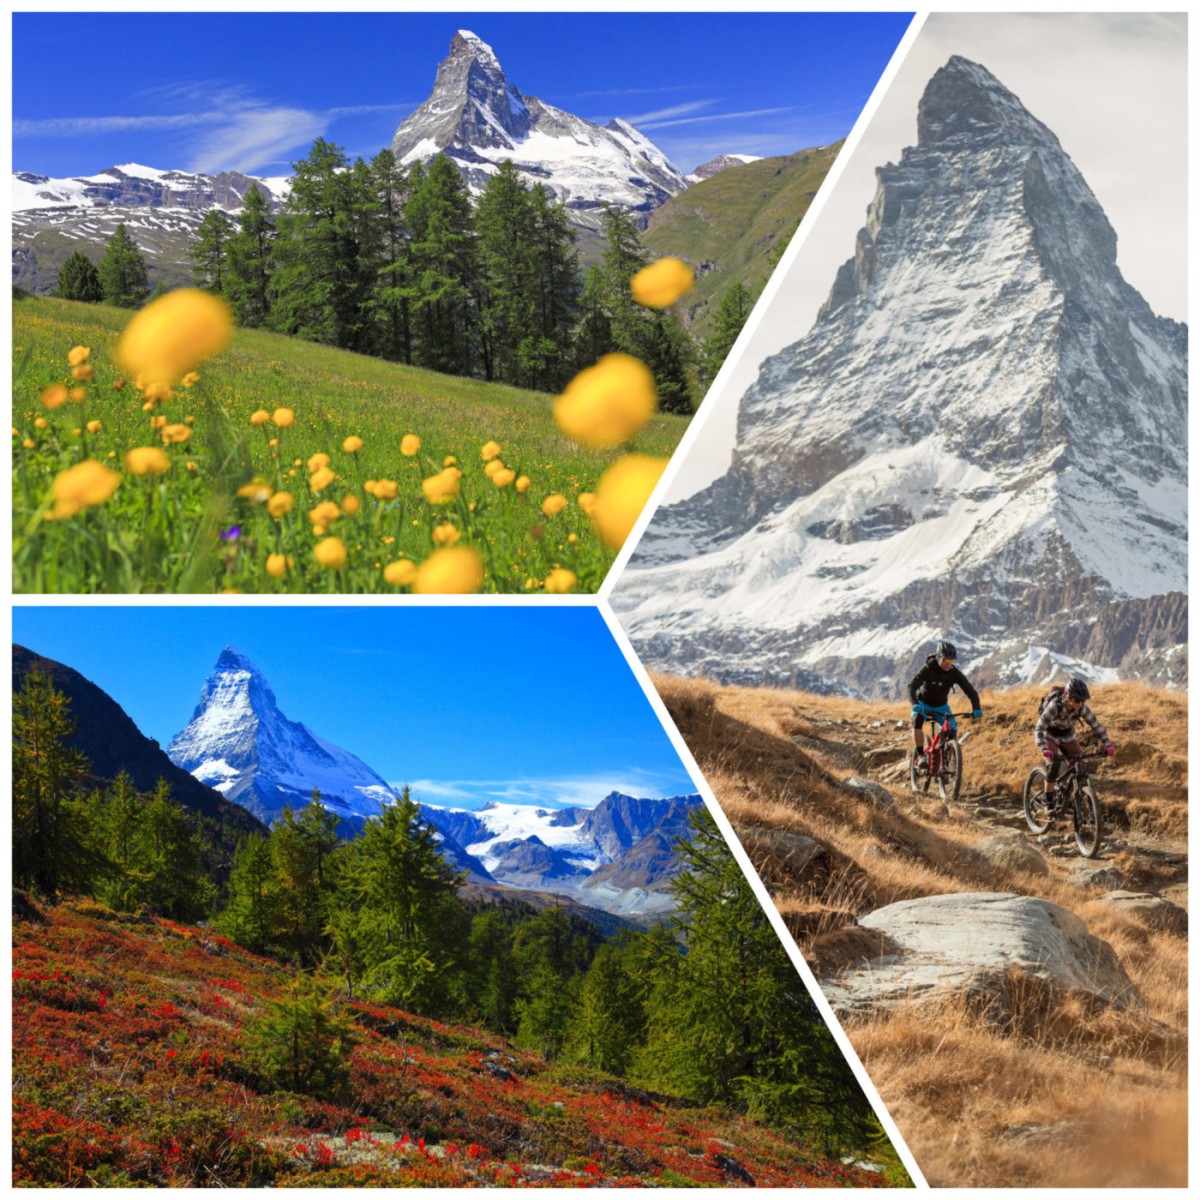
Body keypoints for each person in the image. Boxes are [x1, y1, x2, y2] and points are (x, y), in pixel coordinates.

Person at [1035, 676, 1115, 795]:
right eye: (1077, 701)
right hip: (1049, 735)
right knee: (1054, 766)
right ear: (1067, 696)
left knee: (1080, 768)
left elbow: (1096, 726)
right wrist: (1044, 748)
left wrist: (1108, 744)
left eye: (1083, 701)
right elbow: (1039, 728)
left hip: (1067, 736)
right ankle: (1049, 800)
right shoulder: (1055, 706)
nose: (1080, 704)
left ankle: (1067, 796)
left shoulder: (1081, 707)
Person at [908, 640, 982, 767]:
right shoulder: (928, 668)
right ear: (937, 657)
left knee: (952, 732)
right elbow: (911, 686)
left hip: (941, 707)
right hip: (923, 704)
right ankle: (920, 756)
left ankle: (945, 764)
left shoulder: (954, 673)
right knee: (917, 719)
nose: (948, 664)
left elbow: (971, 691)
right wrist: (915, 703)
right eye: (945, 661)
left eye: (951, 661)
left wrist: (976, 708)